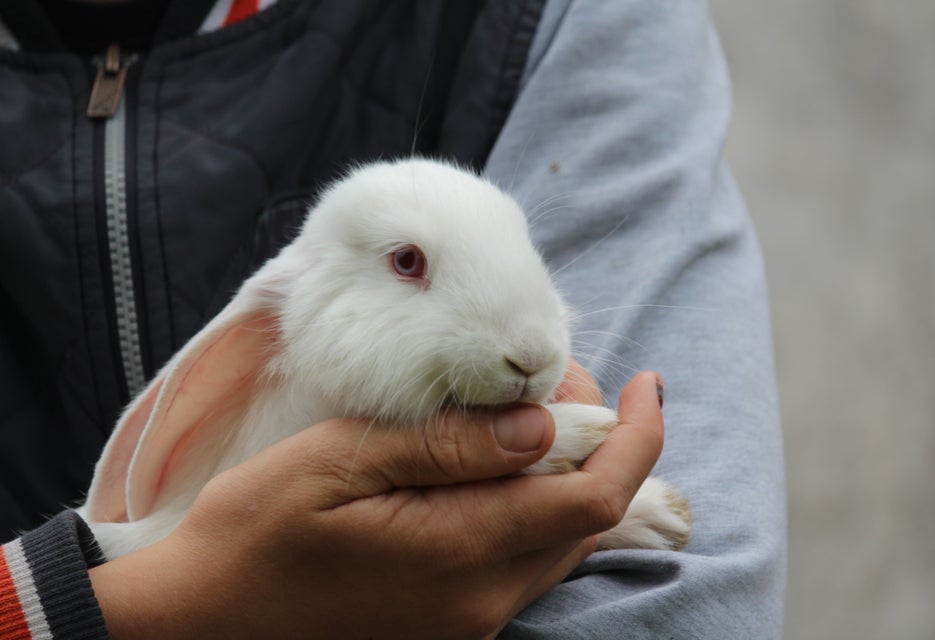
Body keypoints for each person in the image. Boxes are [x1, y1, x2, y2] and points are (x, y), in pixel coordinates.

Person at [0, 1, 786, 638]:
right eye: (409, 265)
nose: (531, 349)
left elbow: (699, 587)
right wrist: (144, 604)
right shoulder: (280, 334)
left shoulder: (563, 20)